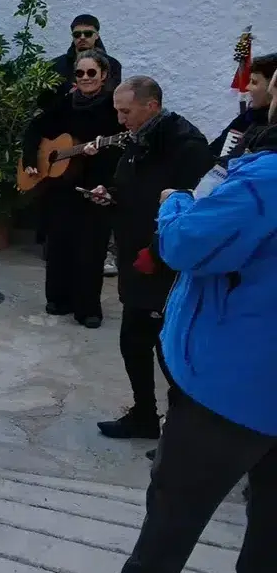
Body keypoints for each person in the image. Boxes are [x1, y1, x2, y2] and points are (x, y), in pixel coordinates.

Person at [71, 69, 277, 573]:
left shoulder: (261, 177)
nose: (252, 94)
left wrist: (175, 205)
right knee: (271, 505)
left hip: (239, 373)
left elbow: (188, 243)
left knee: (178, 492)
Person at [86, 77, 214, 440]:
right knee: (133, 342)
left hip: (163, 262)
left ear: (151, 106)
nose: (120, 119)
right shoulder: (138, 140)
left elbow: (196, 205)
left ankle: (184, 432)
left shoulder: (186, 145)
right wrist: (110, 194)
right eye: (117, 111)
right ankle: (145, 416)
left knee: (169, 351)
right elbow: (132, 188)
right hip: (135, 256)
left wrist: (160, 249)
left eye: (126, 112)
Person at [22, 50, 122, 327]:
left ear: (103, 76)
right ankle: (57, 299)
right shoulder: (65, 104)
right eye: (80, 73)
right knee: (58, 246)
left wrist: (97, 154)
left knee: (90, 251)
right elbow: (34, 129)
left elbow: (121, 149)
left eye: (92, 73)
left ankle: (88, 309)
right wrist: (32, 159)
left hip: (95, 188)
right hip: (59, 188)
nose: (86, 78)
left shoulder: (113, 111)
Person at [211, 51, 277, 158]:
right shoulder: (249, 116)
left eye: (254, 82)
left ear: (273, 88)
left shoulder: (271, 134)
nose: (248, 87)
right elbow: (213, 151)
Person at [49, 14, 123, 99]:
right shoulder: (55, 65)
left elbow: (112, 98)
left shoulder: (113, 65)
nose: (82, 37)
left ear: (97, 35)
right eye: (77, 34)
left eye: (88, 33)